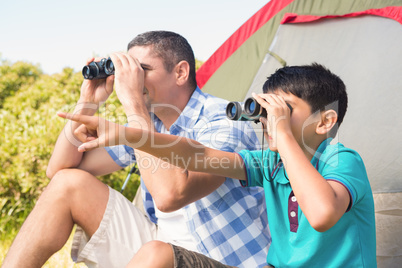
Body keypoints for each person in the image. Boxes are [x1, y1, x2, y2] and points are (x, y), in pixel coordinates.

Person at [57, 63, 376, 267]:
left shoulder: (341, 160)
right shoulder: (270, 163)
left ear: (326, 122)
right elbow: (197, 154)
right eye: (266, 111)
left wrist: (285, 138)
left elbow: (322, 215)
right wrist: (128, 134)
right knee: (157, 253)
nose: (269, 120)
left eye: (284, 110)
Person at [2, 31, 270, 268]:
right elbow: (59, 171)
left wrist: (133, 104)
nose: (132, 79)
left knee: (157, 252)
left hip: (220, 258)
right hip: (159, 246)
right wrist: (88, 101)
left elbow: (170, 195)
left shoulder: (224, 120)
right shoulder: (150, 123)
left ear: (180, 72)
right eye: (127, 70)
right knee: (68, 184)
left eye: (141, 69)